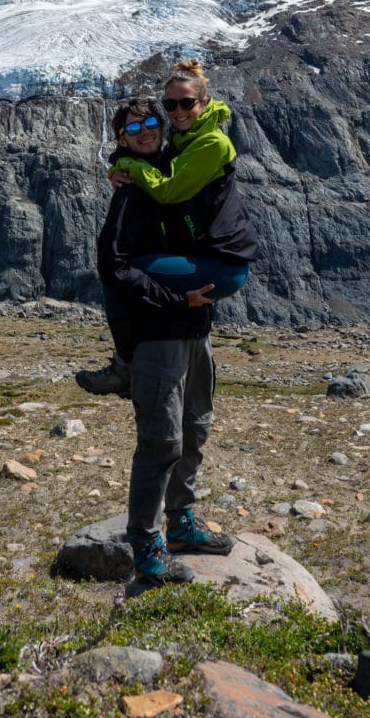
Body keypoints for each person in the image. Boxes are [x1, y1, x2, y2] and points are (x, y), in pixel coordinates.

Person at [78, 97, 236, 586]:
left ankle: (182, 522)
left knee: (195, 429)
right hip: (158, 334)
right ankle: (146, 546)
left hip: (194, 331)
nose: (146, 130)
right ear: (122, 138)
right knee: (161, 442)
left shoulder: (174, 174)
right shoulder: (129, 194)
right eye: (133, 127)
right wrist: (174, 298)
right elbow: (114, 267)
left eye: (152, 122)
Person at [77, 58, 257, 397]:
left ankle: (123, 365)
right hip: (214, 260)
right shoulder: (183, 136)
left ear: (203, 103)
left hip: (223, 266)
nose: (178, 111)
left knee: (118, 273)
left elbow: (168, 188)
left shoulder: (211, 143)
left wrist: (125, 162)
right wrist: (116, 164)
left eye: (186, 103)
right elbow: (156, 160)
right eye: (171, 104)